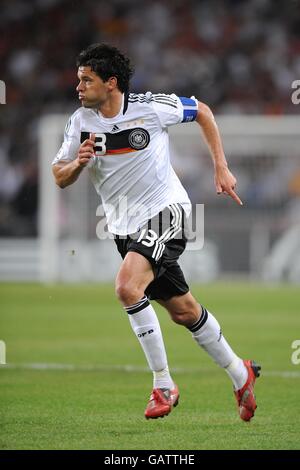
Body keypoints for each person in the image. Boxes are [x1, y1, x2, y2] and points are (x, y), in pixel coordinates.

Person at [52, 43, 260, 421]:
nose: (78, 87)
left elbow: (203, 111)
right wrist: (79, 165)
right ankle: (240, 374)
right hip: (123, 229)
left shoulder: (150, 107)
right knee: (184, 311)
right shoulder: (79, 122)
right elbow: (59, 176)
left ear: (111, 83)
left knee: (127, 287)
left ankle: (163, 385)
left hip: (169, 212)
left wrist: (220, 167)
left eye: (87, 80)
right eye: (78, 80)